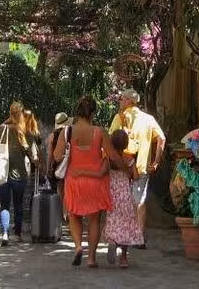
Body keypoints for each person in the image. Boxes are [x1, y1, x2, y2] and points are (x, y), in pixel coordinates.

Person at [53, 96, 127, 268]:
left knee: (74, 215)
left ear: (77, 112)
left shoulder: (67, 131)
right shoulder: (99, 132)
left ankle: (78, 247)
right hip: (96, 181)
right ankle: (91, 259)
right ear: (93, 113)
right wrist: (127, 169)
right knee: (94, 220)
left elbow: (57, 156)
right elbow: (113, 156)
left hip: (74, 180)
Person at [109, 89, 166, 248]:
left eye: (121, 99)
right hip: (141, 168)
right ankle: (139, 237)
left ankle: (121, 235)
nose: (120, 101)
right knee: (140, 201)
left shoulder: (119, 117)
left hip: (121, 168)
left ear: (128, 101)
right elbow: (162, 138)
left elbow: (110, 140)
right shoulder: (149, 119)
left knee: (121, 200)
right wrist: (156, 161)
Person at [0, 102, 38, 246]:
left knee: (4, 205)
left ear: (10, 113)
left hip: (3, 173)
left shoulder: (3, 129)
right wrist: (39, 164)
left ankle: (5, 233)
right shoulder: (26, 132)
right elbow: (32, 156)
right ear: (22, 113)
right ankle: (17, 234)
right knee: (18, 205)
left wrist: (6, 121)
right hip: (20, 176)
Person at [101, 130, 143, 268]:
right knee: (126, 223)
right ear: (125, 144)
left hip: (111, 194)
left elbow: (103, 172)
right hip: (125, 195)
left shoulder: (108, 158)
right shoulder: (129, 158)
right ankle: (124, 258)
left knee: (113, 220)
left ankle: (113, 240)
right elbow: (136, 176)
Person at [46, 112, 73, 193]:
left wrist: (48, 169)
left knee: (60, 192)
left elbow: (50, 154)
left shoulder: (52, 136)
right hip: (70, 165)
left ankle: (61, 205)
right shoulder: (71, 133)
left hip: (58, 166)